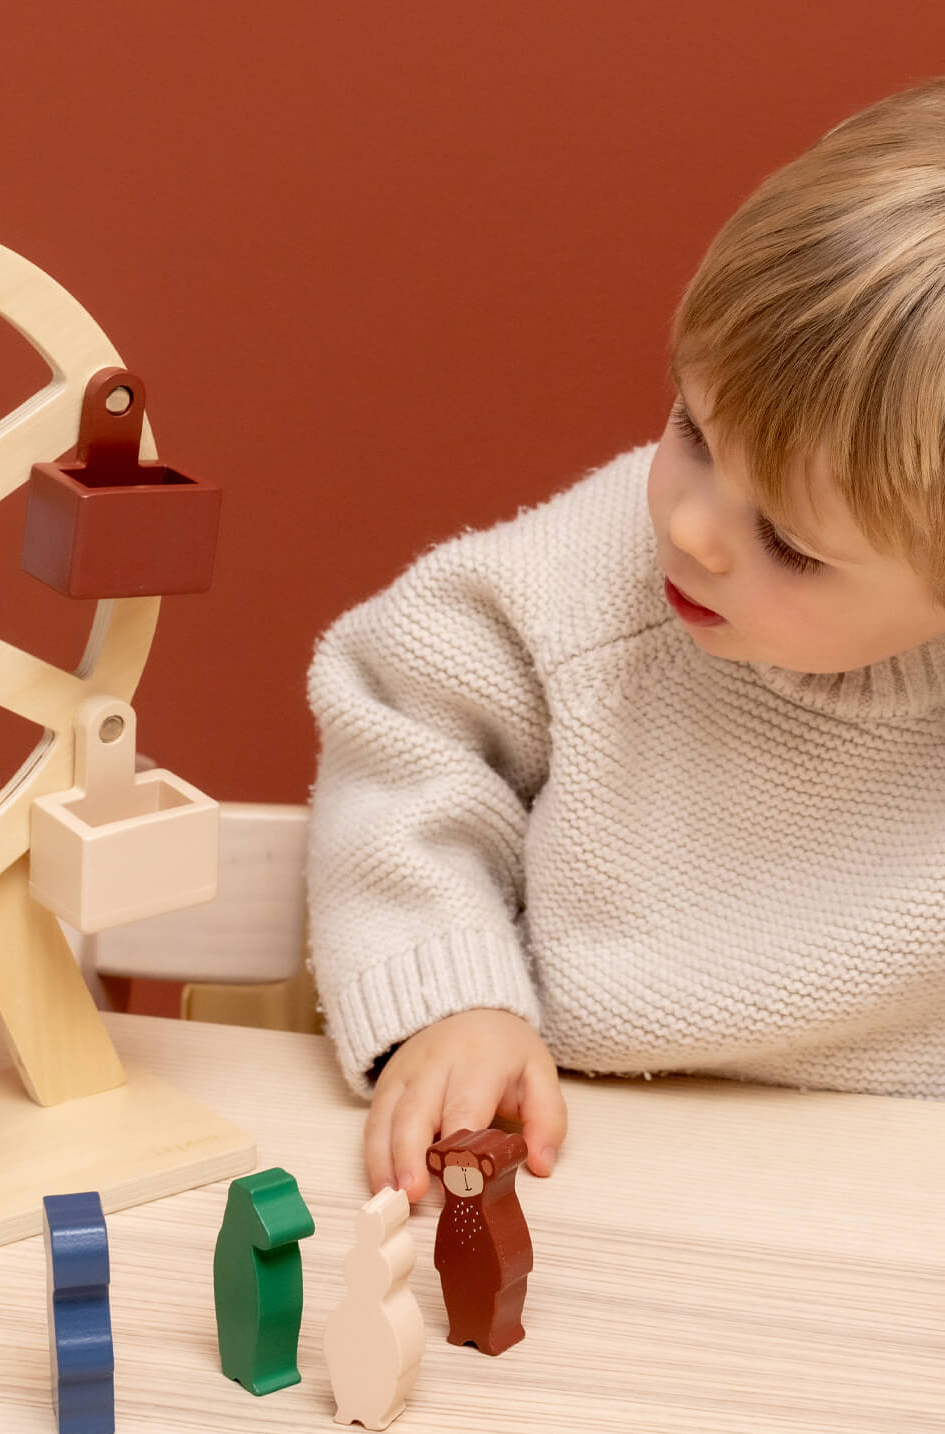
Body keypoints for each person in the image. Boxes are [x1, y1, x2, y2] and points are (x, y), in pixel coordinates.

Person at [305, 78, 945, 1202]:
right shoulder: (589, 583)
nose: (691, 531)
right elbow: (399, 724)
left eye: (789, 545)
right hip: (579, 1142)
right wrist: (451, 997)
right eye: (692, 429)